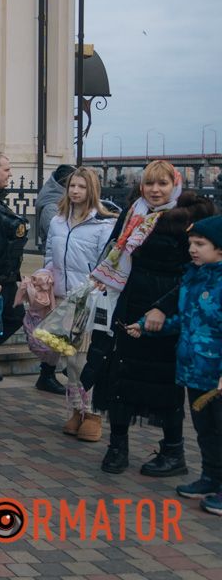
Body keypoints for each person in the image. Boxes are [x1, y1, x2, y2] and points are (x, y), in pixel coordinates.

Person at [85, 160, 215, 475]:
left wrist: (164, 308)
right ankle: (117, 446)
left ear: (175, 185)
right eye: (149, 184)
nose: (155, 190)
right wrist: (103, 277)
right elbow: (114, 249)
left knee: (164, 380)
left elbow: (193, 271)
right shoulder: (134, 212)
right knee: (119, 373)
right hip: (127, 301)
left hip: (166, 307)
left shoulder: (189, 217)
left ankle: (173, 451)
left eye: (162, 184)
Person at [124, 214, 222, 512]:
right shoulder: (193, 278)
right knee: (206, 430)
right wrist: (146, 325)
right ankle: (210, 478)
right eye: (191, 243)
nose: (192, 249)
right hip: (195, 370)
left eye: (200, 244)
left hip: (217, 376)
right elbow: (183, 319)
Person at [39, 167, 116, 441]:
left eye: (81, 187)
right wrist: (44, 275)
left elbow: (107, 264)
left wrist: (95, 286)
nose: (75, 191)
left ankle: (93, 414)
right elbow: (50, 256)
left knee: (84, 361)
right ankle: (75, 410)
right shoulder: (58, 221)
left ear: (91, 190)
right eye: (72, 186)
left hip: (89, 301)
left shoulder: (103, 225)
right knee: (69, 361)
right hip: (64, 299)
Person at [0, 153, 64, 394]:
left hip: (7, 274)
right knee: (3, 317)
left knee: (14, 316)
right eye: (7, 170)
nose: (10, 174)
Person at [36, 164, 77, 248]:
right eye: (73, 185)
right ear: (65, 184)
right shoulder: (51, 208)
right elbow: (59, 240)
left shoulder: (67, 201)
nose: (76, 190)